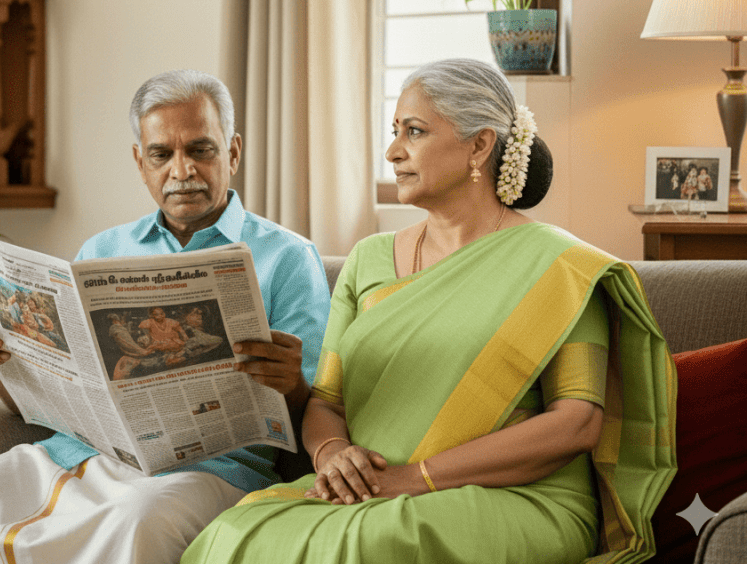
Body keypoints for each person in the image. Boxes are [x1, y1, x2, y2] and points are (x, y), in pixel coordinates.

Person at [182, 59, 676, 564]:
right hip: (371, 489)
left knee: (370, 543)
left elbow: (576, 422)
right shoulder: (368, 259)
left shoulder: (559, 267)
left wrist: (414, 478)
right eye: (394, 132)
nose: (394, 151)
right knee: (233, 533)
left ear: (479, 146)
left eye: (414, 132)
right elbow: (326, 404)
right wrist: (334, 456)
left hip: (517, 498)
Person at [0, 69, 331, 564]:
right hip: (76, 458)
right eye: (161, 154)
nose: (181, 170)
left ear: (231, 152)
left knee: (140, 520)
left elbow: (311, 417)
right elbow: (39, 406)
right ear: (139, 162)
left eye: (200, 150)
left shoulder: (288, 257)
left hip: (210, 474)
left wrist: (291, 382)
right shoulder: (102, 250)